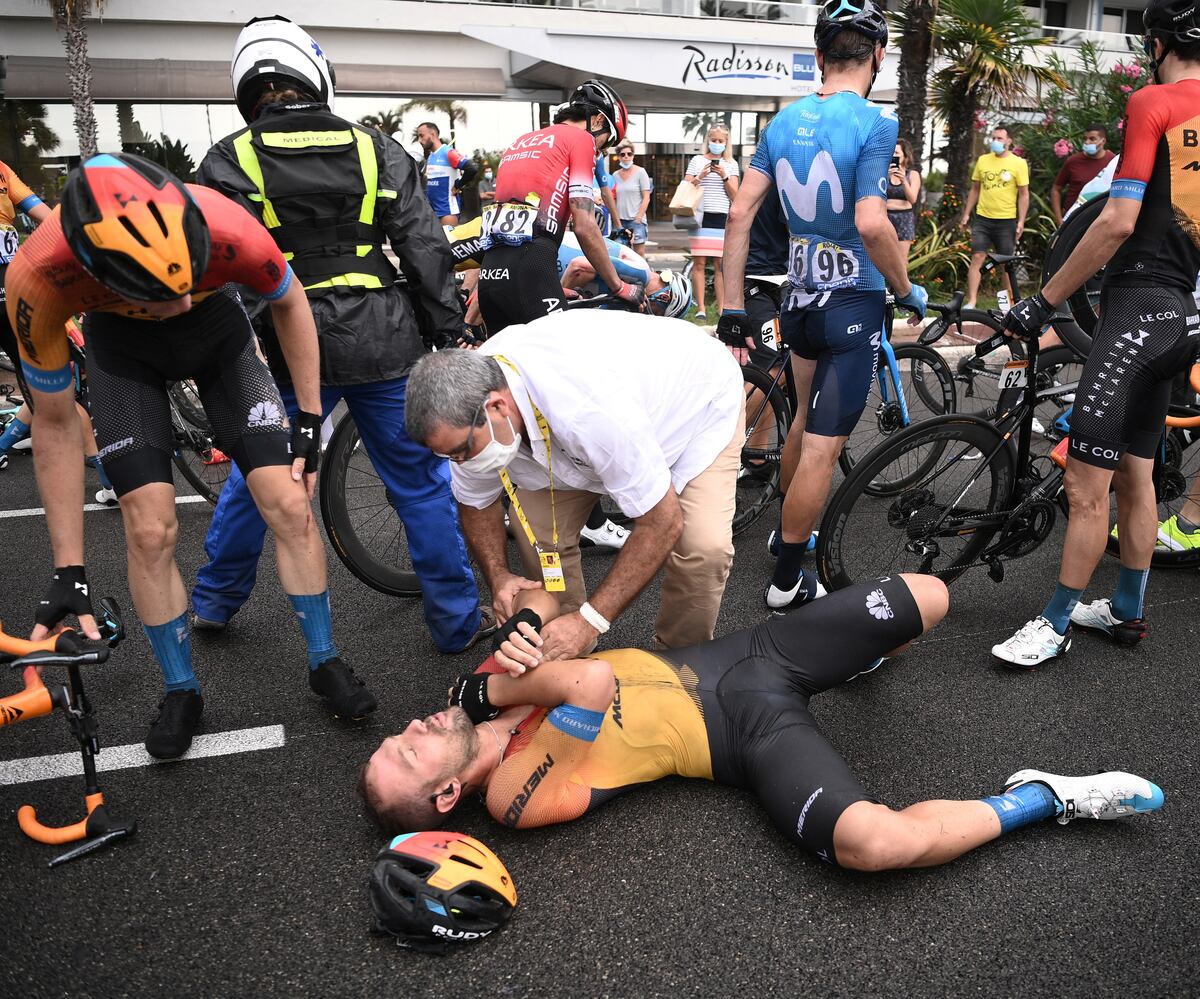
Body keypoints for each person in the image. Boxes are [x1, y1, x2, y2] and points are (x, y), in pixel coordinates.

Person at [361, 574, 1165, 871]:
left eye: (402, 732)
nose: (413, 722)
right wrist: (489, 692)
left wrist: (518, 610)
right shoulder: (508, 794)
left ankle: (851, 659)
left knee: (929, 596)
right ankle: (1041, 797)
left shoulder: (476, 695)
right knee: (872, 846)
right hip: (739, 735)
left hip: (739, 655)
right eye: (410, 747)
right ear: (444, 797)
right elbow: (592, 676)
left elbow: (542, 607)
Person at [4, 151, 377, 757]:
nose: (176, 303)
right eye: (160, 294)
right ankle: (181, 689)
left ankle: (324, 659)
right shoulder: (39, 277)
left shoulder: (228, 224)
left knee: (288, 501)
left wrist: (309, 416)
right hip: (122, 350)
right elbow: (52, 424)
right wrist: (68, 567)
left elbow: (290, 302)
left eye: (186, 280)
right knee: (149, 530)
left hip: (220, 335)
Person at [191, 15, 492, 654]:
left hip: (283, 343)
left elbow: (212, 264)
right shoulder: (375, 147)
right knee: (418, 484)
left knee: (258, 475)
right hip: (385, 338)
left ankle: (214, 602)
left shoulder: (228, 158)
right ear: (314, 73)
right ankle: (456, 623)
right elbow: (424, 245)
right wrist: (444, 331)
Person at [993, 0, 1200, 666]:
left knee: (1088, 485)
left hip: (1137, 310)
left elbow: (1115, 221)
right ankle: (1127, 610)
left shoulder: (1155, 103)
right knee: (1138, 472)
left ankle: (1053, 624)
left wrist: (1042, 300)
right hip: (1183, 318)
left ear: (1158, 42)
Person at [717, 0, 927, 613]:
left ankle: (792, 538)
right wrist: (906, 288)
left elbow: (738, 213)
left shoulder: (782, 121)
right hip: (852, 305)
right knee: (822, 446)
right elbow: (871, 221)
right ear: (879, 58)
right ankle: (787, 577)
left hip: (799, 298)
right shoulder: (874, 123)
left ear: (818, 57)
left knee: (805, 420)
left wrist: (731, 304)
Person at [403, 312, 744, 659]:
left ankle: (680, 662)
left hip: (693, 409)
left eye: (462, 451)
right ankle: (565, 650)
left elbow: (662, 522)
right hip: (588, 439)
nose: (459, 463)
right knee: (535, 530)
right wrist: (500, 577)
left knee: (704, 550)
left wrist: (592, 620)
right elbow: (476, 502)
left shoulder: (585, 409)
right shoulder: (468, 409)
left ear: (497, 406)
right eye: (449, 456)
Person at [476, 79, 641, 333]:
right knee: (561, 364)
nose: (602, 151)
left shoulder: (522, 141)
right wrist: (619, 287)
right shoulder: (582, 140)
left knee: (506, 368)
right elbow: (585, 226)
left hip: (491, 273)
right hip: (532, 266)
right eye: (607, 142)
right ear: (597, 121)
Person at [959, 124, 1029, 309]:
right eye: (994, 138)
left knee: (1007, 263)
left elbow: (1024, 194)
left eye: (999, 138)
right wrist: (966, 214)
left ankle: (1012, 303)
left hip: (1006, 221)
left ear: (1009, 141)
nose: (995, 142)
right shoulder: (983, 160)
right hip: (983, 218)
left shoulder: (1018, 163)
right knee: (977, 256)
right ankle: (972, 301)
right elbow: (975, 189)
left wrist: (1021, 221)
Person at [684, 125, 740, 319]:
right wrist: (700, 177)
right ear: (708, 140)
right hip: (700, 216)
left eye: (720, 141)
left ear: (726, 142)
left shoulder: (731, 164)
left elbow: (735, 195)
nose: (716, 144)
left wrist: (724, 175)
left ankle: (721, 307)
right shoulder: (697, 161)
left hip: (721, 216)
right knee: (699, 263)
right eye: (713, 140)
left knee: (720, 265)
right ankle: (701, 309)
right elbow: (685, 188)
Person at [1051, 126, 1116, 225]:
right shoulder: (1073, 161)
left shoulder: (1113, 162)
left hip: (1100, 221)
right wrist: (1059, 220)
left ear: (1103, 141)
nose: (1087, 142)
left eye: (1092, 139)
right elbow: (1056, 189)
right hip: (1074, 219)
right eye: (1085, 139)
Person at [416, 122, 477, 226]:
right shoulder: (431, 156)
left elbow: (471, 169)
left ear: (433, 134)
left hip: (447, 212)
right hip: (432, 212)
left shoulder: (448, 152)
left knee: (449, 242)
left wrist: (458, 185)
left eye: (422, 135)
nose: (419, 140)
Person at [613, 143, 652, 256]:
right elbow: (613, 198)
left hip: (636, 221)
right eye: (623, 154)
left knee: (639, 254)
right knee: (622, 254)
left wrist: (638, 218)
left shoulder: (641, 172)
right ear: (619, 157)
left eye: (629, 154)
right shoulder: (615, 175)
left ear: (633, 156)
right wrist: (616, 221)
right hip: (620, 221)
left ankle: (642, 274)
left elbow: (646, 197)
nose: (626, 156)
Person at [886, 138, 921, 258]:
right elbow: (877, 195)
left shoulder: (912, 175)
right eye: (891, 152)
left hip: (904, 218)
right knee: (883, 258)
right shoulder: (883, 174)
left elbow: (912, 199)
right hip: (885, 217)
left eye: (896, 153)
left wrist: (903, 181)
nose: (893, 155)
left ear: (905, 156)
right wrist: (887, 177)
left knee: (901, 261)